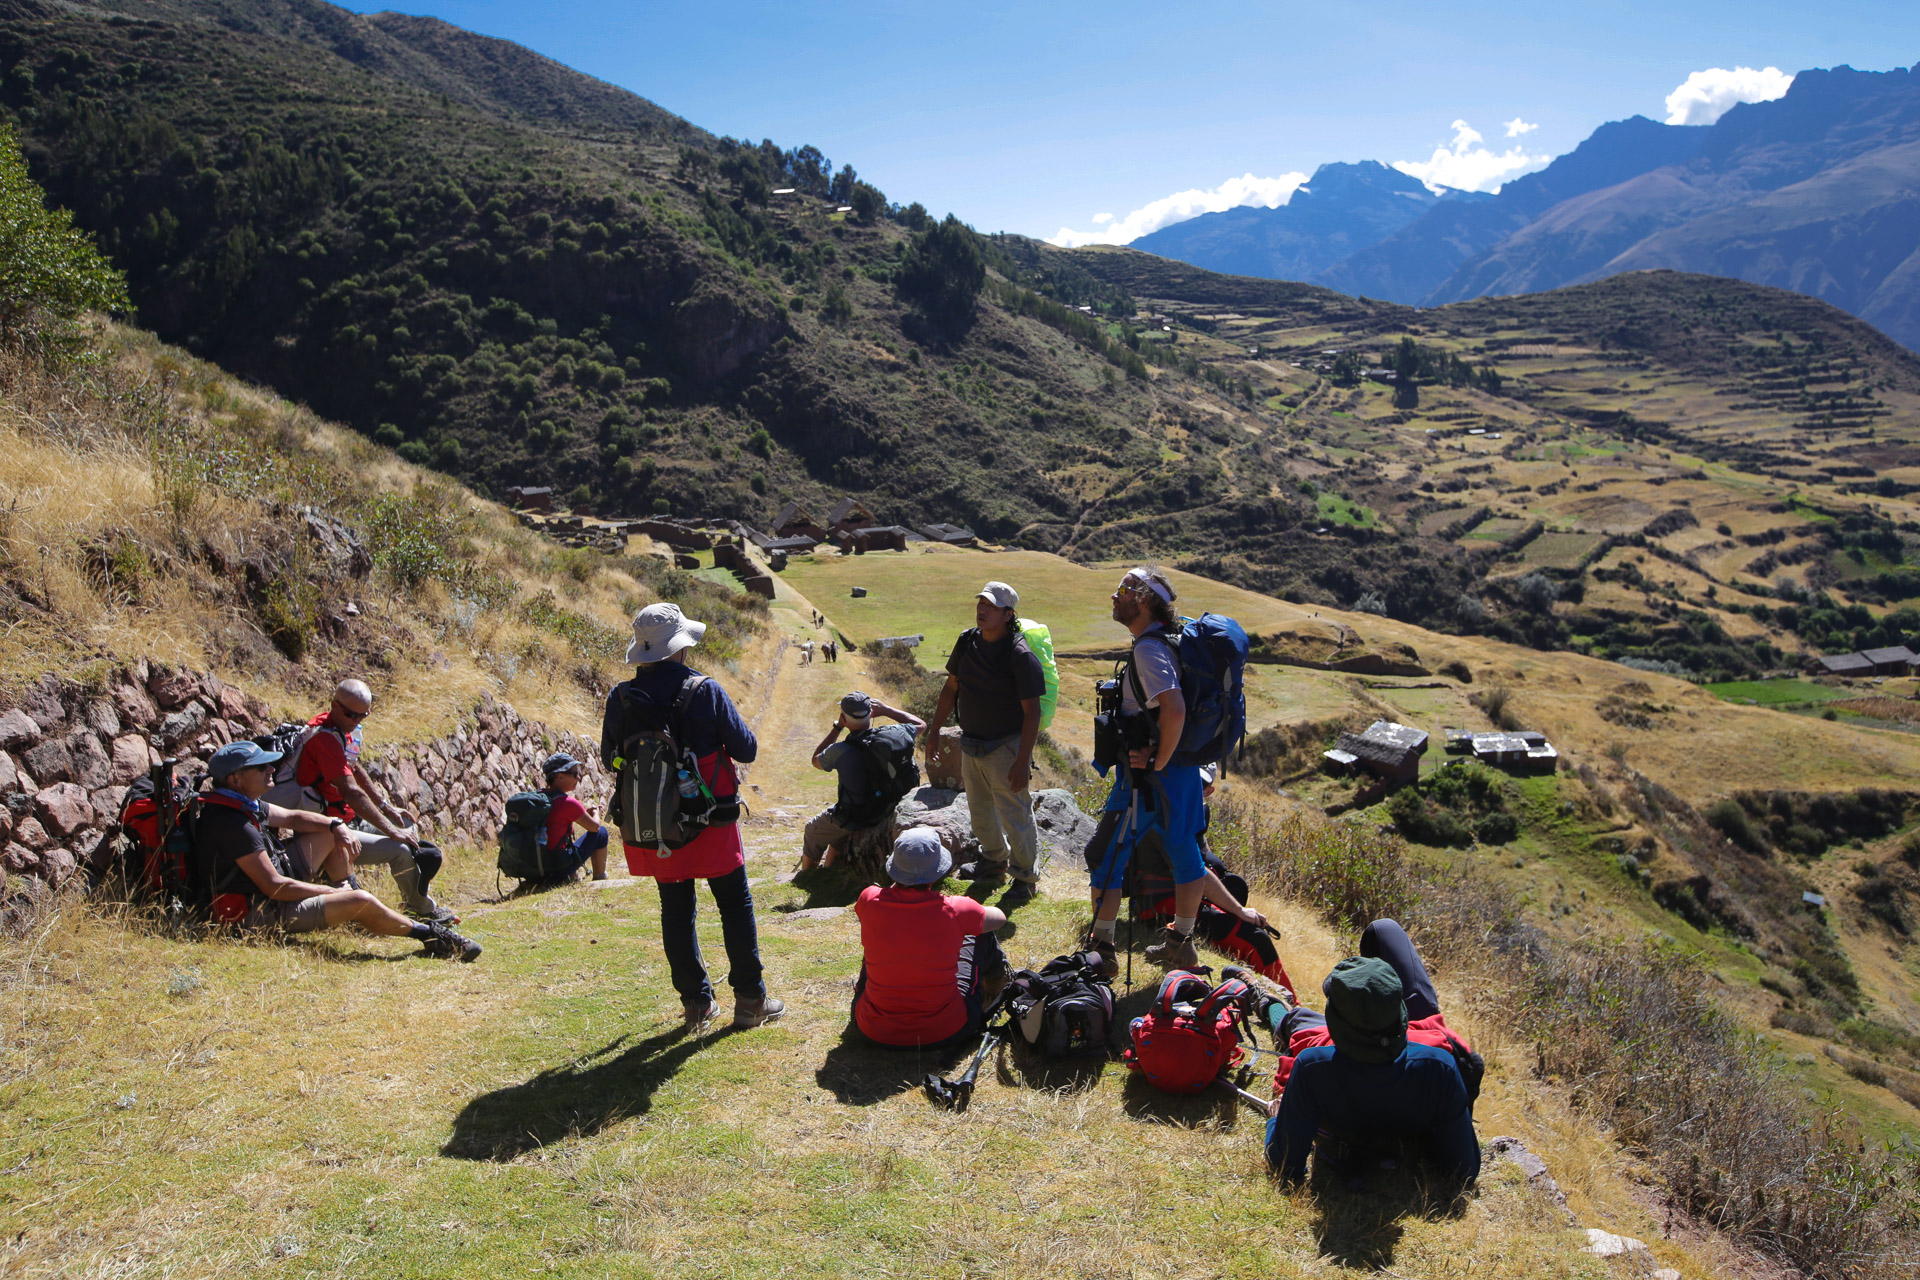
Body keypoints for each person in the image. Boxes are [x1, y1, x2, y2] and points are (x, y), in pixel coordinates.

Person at [601, 603, 782, 1031]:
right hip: (712, 818)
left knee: (676, 910)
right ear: (680, 647)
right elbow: (747, 749)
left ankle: (697, 1005)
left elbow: (612, 760)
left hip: (658, 822)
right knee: (734, 905)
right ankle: (751, 1001)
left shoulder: (621, 697)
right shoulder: (705, 690)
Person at [200, 741, 481, 960]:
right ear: (236, 780)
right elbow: (275, 888)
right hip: (261, 913)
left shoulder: (240, 803)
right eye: (262, 768)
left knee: (330, 834)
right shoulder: (234, 823)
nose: (271, 769)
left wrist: (336, 825)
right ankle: (431, 936)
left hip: (275, 888)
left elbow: (292, 818)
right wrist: (335, 893)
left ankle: (353, 904)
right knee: (360, 900)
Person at [1258, 919, 1480, 1186]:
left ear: (1335, 1026)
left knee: (1296, 1019)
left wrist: (1275, 1120)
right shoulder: (1439, 1066)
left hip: (1332, 1045)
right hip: (1402, 1054)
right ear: (1402, 1016)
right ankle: (1270, 1003)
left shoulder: (1312, 1066)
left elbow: (1284, 1162)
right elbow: (1466, 1169)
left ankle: (1265, 1002)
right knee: (1384, 929)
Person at [1081, 567, 1207, 976]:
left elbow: (1174, 708)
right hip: (1184, 769)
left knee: (1105, 854)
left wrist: (1156, 760)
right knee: (1186, 850)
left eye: (1123, 589)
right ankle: (1181, 943)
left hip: (1150, 776)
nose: (1113, 596)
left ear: (1144, 600)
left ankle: (1102, 947)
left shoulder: (1148, 650)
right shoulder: (1177, 637)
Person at [281, 679, 455, 924]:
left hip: (346, 819)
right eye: (351, 715)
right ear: (335, 705)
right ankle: (422, 910)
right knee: (401, 850)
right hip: (330, 830)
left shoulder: (342, 731)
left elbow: (353, 766)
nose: (356, 721)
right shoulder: (325, 739)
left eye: (363, 716)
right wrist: (392, 830)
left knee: (410, 830)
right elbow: (351, 791)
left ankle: (414, 899)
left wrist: (387, 807)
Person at [924, 581, 1045, 906]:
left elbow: (1032, 712)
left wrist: (1022, 760)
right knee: (979, 812)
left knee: (1014, 813)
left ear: (1008, 614)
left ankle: (1025, 878)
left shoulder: (1019, 655)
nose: (982, 609)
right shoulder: (967, 641)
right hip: (972, 742)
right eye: (981, 603)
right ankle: (994, 861)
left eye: (990, 606)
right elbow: (951, 688)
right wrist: (935, 730)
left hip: (1005, 747)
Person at [1128, 764, 1292, 990]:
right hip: (1161, 907)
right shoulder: (1171, 814)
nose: (1193, 788)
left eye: (1200, 784)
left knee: (1249, 930)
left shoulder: (1185, 810)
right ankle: (1286, 1002)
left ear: (1209, 791)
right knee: (1255, 938)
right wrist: (1240, 911)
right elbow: (1197, 874)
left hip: (1172, 900)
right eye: (1189, 780)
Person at [851, 827, 1009, 1047]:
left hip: (873, 1031)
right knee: (980, 933)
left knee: (877, 948)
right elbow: (999, 918)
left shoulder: (869, 898)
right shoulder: (957, 909)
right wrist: (967, 912)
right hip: (947, 1030)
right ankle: (995, 988)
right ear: (937, 870)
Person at [798, 690, 926, 871]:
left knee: (813, 829)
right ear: (872, 713)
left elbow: (816, 760)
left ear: (844, 717)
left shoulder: (840, 750)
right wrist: (888, 710)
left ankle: (807, 875)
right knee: (837, 838)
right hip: (890, 807)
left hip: (857, 816)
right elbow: (921, 724)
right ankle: (828, 871)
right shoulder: (896, 733)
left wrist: (837, 727)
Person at [534, 752, 610, 884]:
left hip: (535, 870)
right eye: (574, 774)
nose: (578, 777)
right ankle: (599, 876)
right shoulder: (568, 803)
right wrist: (596, 813)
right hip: (556, 870)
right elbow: (594, 827)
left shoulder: (540, 797)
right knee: (601, 832)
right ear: (560, 776)